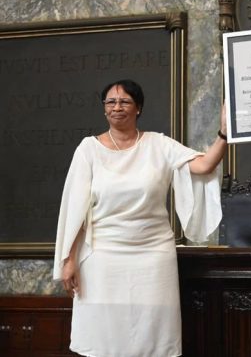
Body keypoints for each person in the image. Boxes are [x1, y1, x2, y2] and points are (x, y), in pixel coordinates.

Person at [53, 79, 227, 357]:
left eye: (124, 101)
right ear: (104, 109)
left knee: (153, 336)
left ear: (139, 108)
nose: (117, 107)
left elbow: (204, 164)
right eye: (110, 102)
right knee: (105, 337)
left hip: (152, 255)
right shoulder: (88, 149)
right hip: (103, 257)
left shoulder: (159, 144)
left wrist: (224, 133)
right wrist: (69, 260)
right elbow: (75, 210)